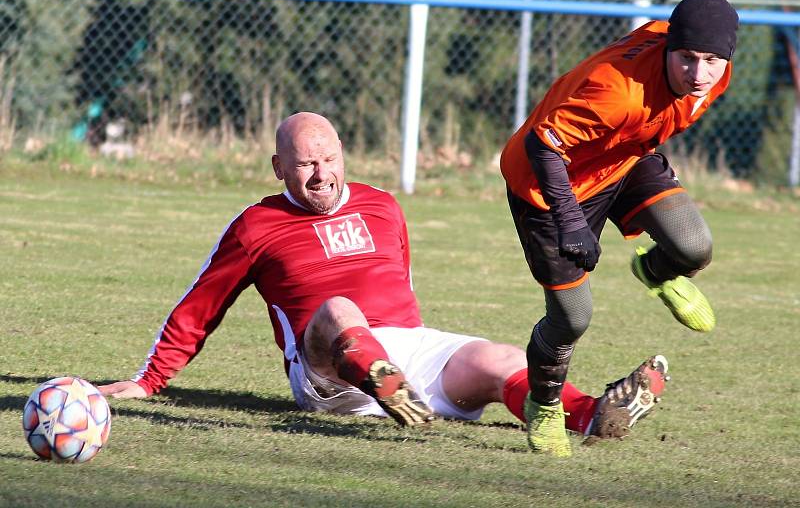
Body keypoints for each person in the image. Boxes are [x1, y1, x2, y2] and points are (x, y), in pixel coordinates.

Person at [100, 111, 669, 449]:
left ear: (343, 153)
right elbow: (203, 304)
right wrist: (148, 382)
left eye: (327, 158)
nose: (320, 174)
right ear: (279, 169)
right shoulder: (256, 226)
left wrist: (423, 357)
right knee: (339, 307)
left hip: (407, 348)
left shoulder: (383, 206)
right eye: (303, 164)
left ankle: (593, 413)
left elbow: (405, 284)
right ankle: (376, 378)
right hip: (328, 366)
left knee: (499, 360)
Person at [500, 0, 738, 456]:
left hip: (622, 159)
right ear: (670, 46)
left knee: (693, 247)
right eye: (687, 58)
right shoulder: (615, 91)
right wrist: (570, 219)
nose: (698, 73)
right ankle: (544, 406)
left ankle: (655, 271)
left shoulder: (714, 76)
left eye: (711, 59)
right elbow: (542, 145)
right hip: (548, 183)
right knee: (572, 317)